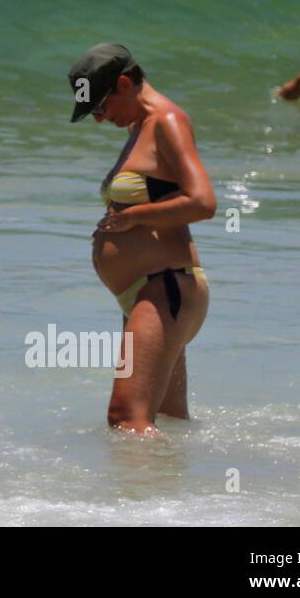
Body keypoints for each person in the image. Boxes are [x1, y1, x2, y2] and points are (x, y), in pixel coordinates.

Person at [68, 44, 216, 435]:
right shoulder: (138, 129)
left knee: (126, 417)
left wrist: (132, 216)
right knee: (166, 421)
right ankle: (169, 495)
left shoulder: (168, 120)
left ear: (123, 84)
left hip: (165, 287)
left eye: (100, 107)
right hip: (144, 293)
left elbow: (202, 201)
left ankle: (131, 496)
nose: (100, 119)